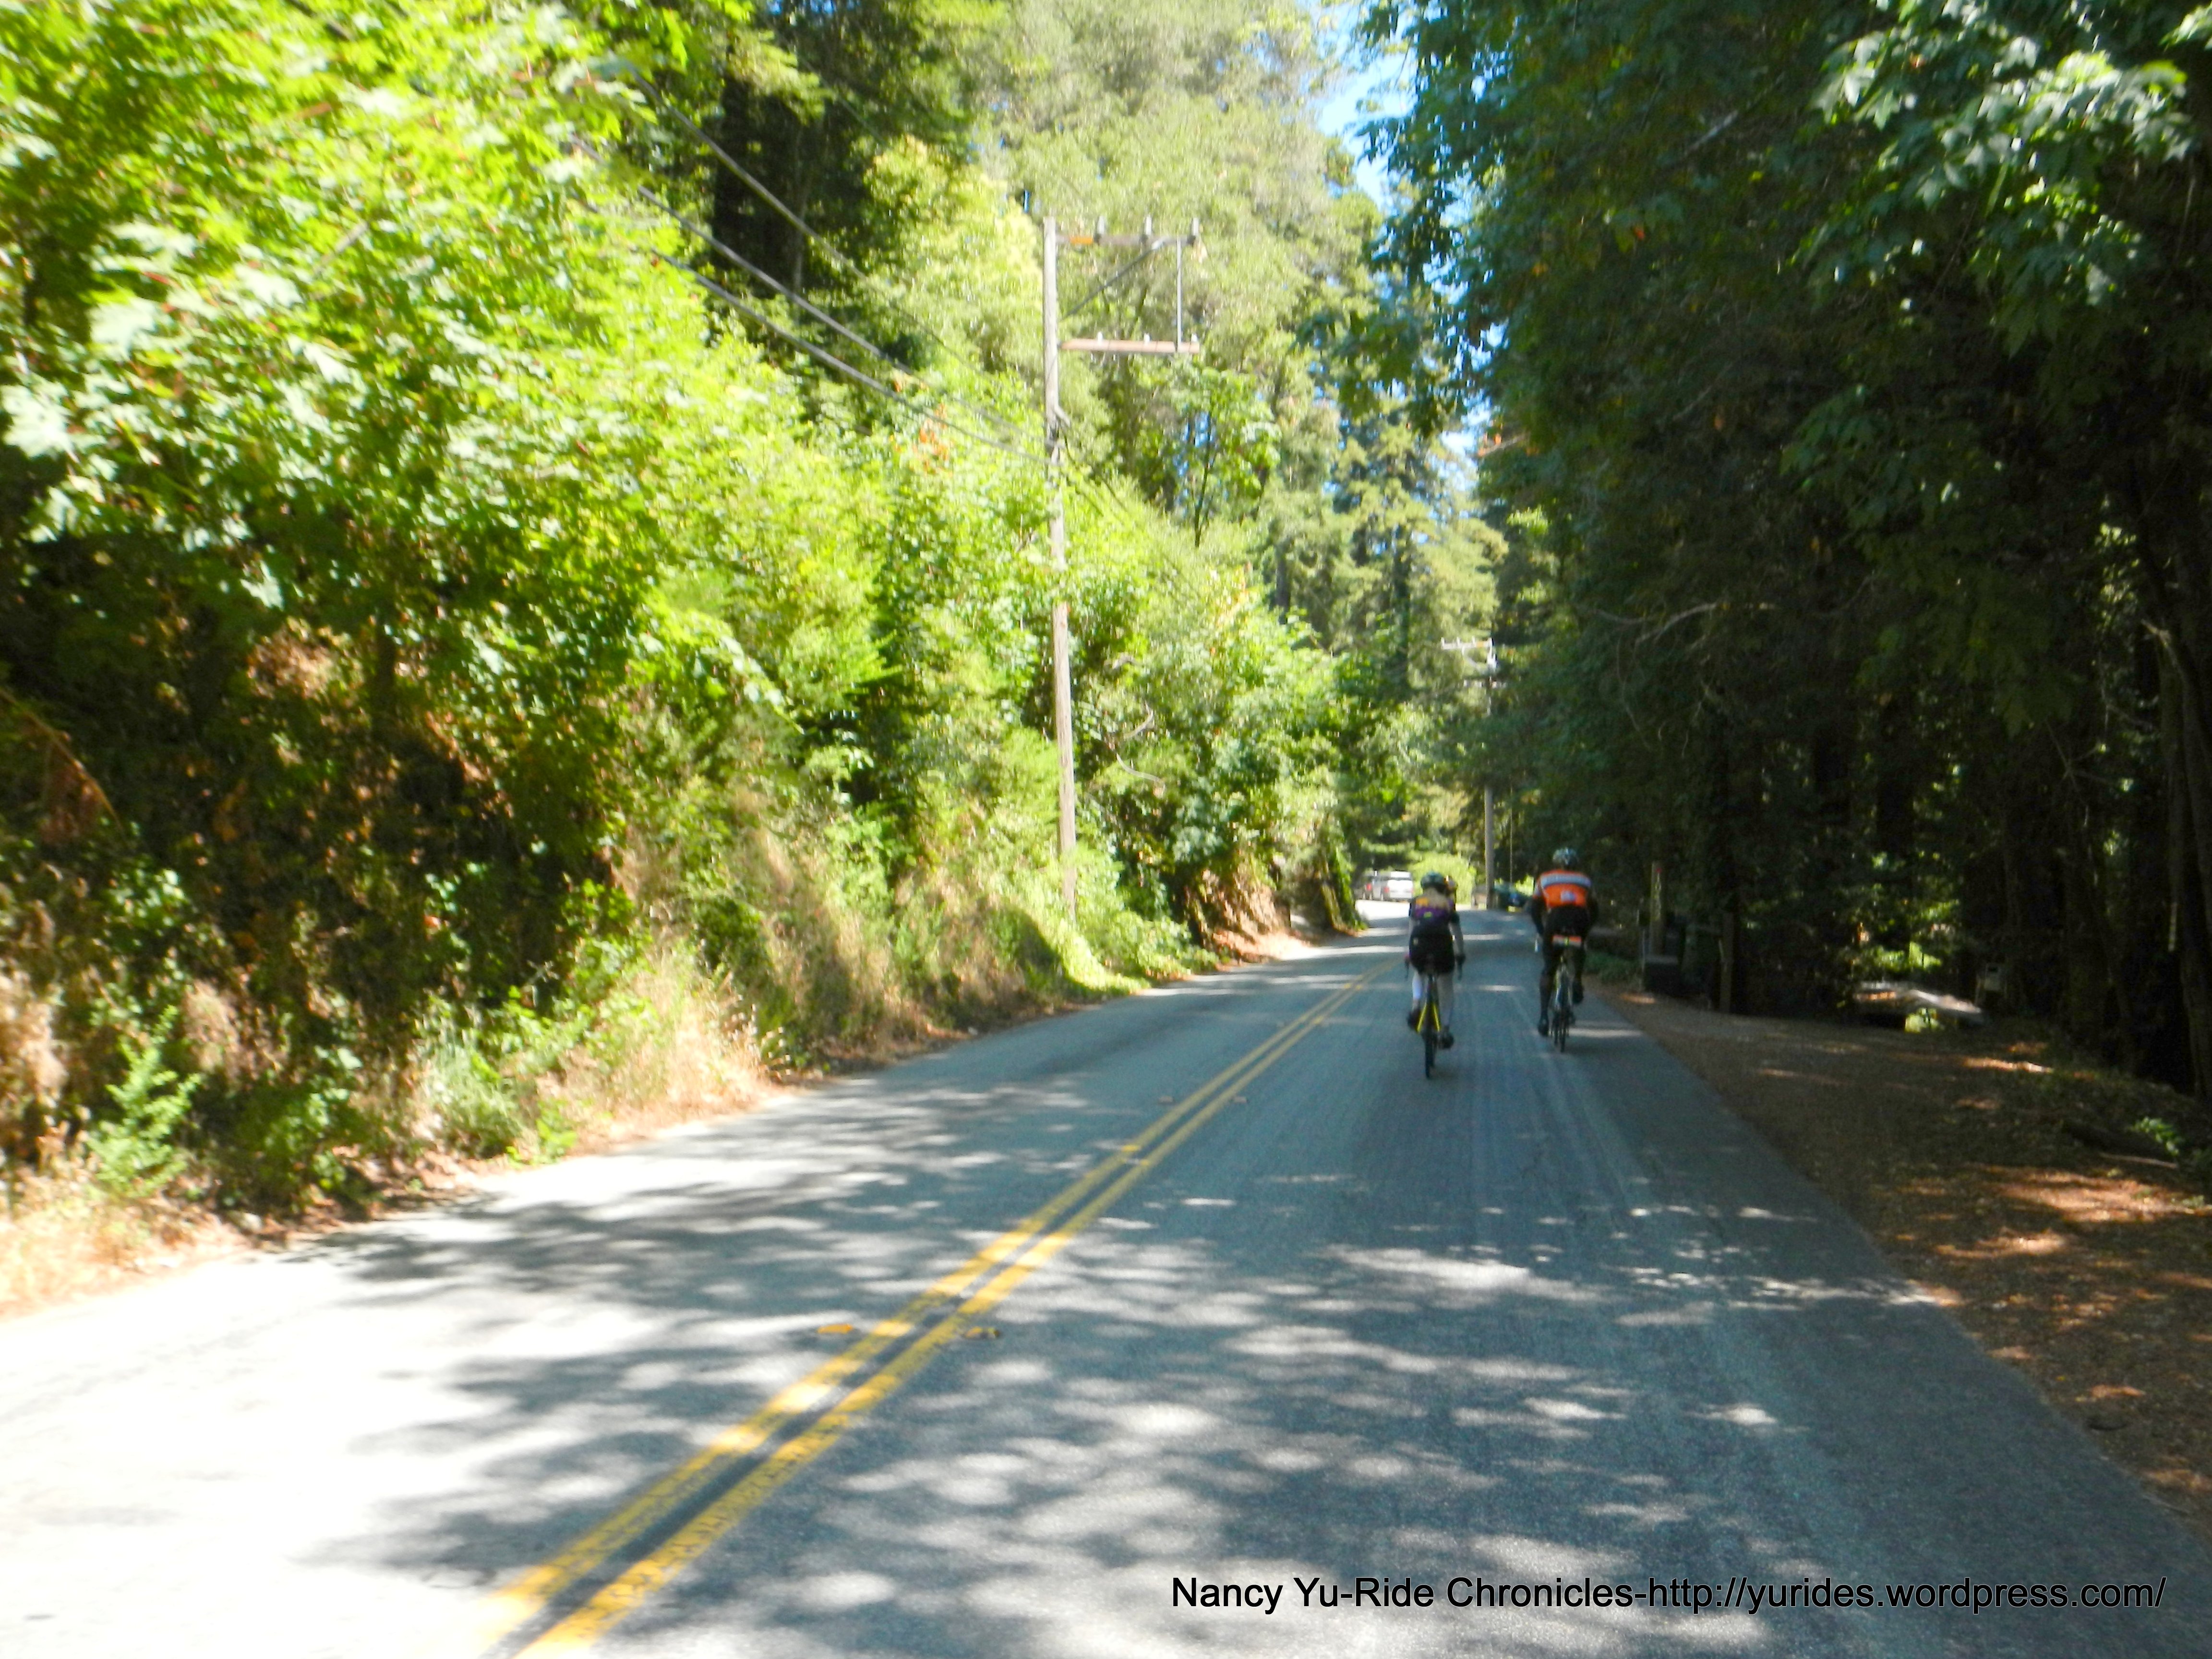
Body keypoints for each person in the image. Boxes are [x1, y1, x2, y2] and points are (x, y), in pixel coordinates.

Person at [1527, 848, 1597, 1035]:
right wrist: (1586, 931)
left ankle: (1544, 1017)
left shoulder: (1545, 879)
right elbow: (1594, 909)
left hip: (1556, 920)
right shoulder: (1585, 880)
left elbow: (1534, 908)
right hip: (1579, 919)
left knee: (1549, 969)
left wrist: (1541, 930)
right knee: (1579, 947)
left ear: (1556, 863)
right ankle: (1578, 980)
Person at [1405, 871, 1466, 1047]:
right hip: (1442, 946)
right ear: (1443, 888)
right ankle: (1444, 1031)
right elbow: (1457, 933)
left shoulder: (1416, 902)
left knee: (1419, 972)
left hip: (1419, 945)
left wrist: (1409, 953)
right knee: (1446, 986)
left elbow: (1411, 931)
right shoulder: (1448, 903)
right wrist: (1460, 953)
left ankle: (1416, 1005)